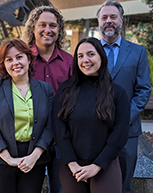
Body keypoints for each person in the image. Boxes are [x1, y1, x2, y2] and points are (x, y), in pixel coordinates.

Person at [52, 37, 130, 193]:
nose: (85, 60)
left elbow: (120, 133)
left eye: (90, 54)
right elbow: (58, 129)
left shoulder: (118, 93)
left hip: (105, 164)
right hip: (72, 166)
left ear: (101, 56)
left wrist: (97, 166)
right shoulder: (65, 90)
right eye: (80, 56)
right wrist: (72, 163)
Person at [0, 38, 54, 193]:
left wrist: (35, 156)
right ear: (3, 64)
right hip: (0, 160)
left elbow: (51, 125)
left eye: (19, 57)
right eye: (9, 59)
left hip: (34, 161)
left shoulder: (45, 89)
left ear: (28, 58)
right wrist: (8, 158)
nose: (15, 63)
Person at [97, 0, 152, 193]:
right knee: (96, 182)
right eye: (104, 17)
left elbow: (144, 90)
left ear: (122, 20)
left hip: (127, 131)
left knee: (123, 185)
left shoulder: (138, 52)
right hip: (95, 129)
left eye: (113, 17)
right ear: (98, 21)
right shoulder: (89, 51)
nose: (109, 21)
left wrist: (124, 118)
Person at [23, 6, 73, 193]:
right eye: (42, 25)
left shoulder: (70, 62)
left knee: (61, 190)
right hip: (30, 138)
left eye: (53, 25)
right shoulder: (23, 59)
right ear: (33, 28)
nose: (47, 30)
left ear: (59, 30)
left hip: (61, 139)